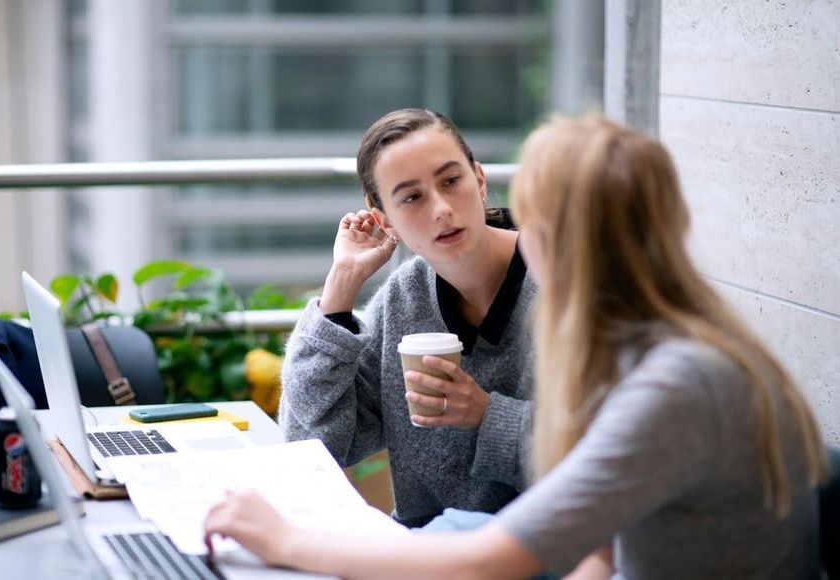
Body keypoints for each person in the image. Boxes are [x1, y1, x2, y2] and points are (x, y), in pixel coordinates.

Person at [204, 114, 828, 579]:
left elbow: (499, 555)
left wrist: (283, 541)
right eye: (413, 196)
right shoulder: (669, 344)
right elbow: (600, 544)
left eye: (535, 221)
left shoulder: (674, 382)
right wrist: (339, 292)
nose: (449, 211)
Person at [277, 108, 537, 528]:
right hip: (423, 550)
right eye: (412, 197)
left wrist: (486, 414)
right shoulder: (404, 298)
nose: (441, 209)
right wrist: (342, 282)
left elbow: (611, 457)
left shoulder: (566, 284)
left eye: (451, 181)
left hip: (547, 554)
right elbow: (311, 446)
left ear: (480, 180)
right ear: (384, 221)